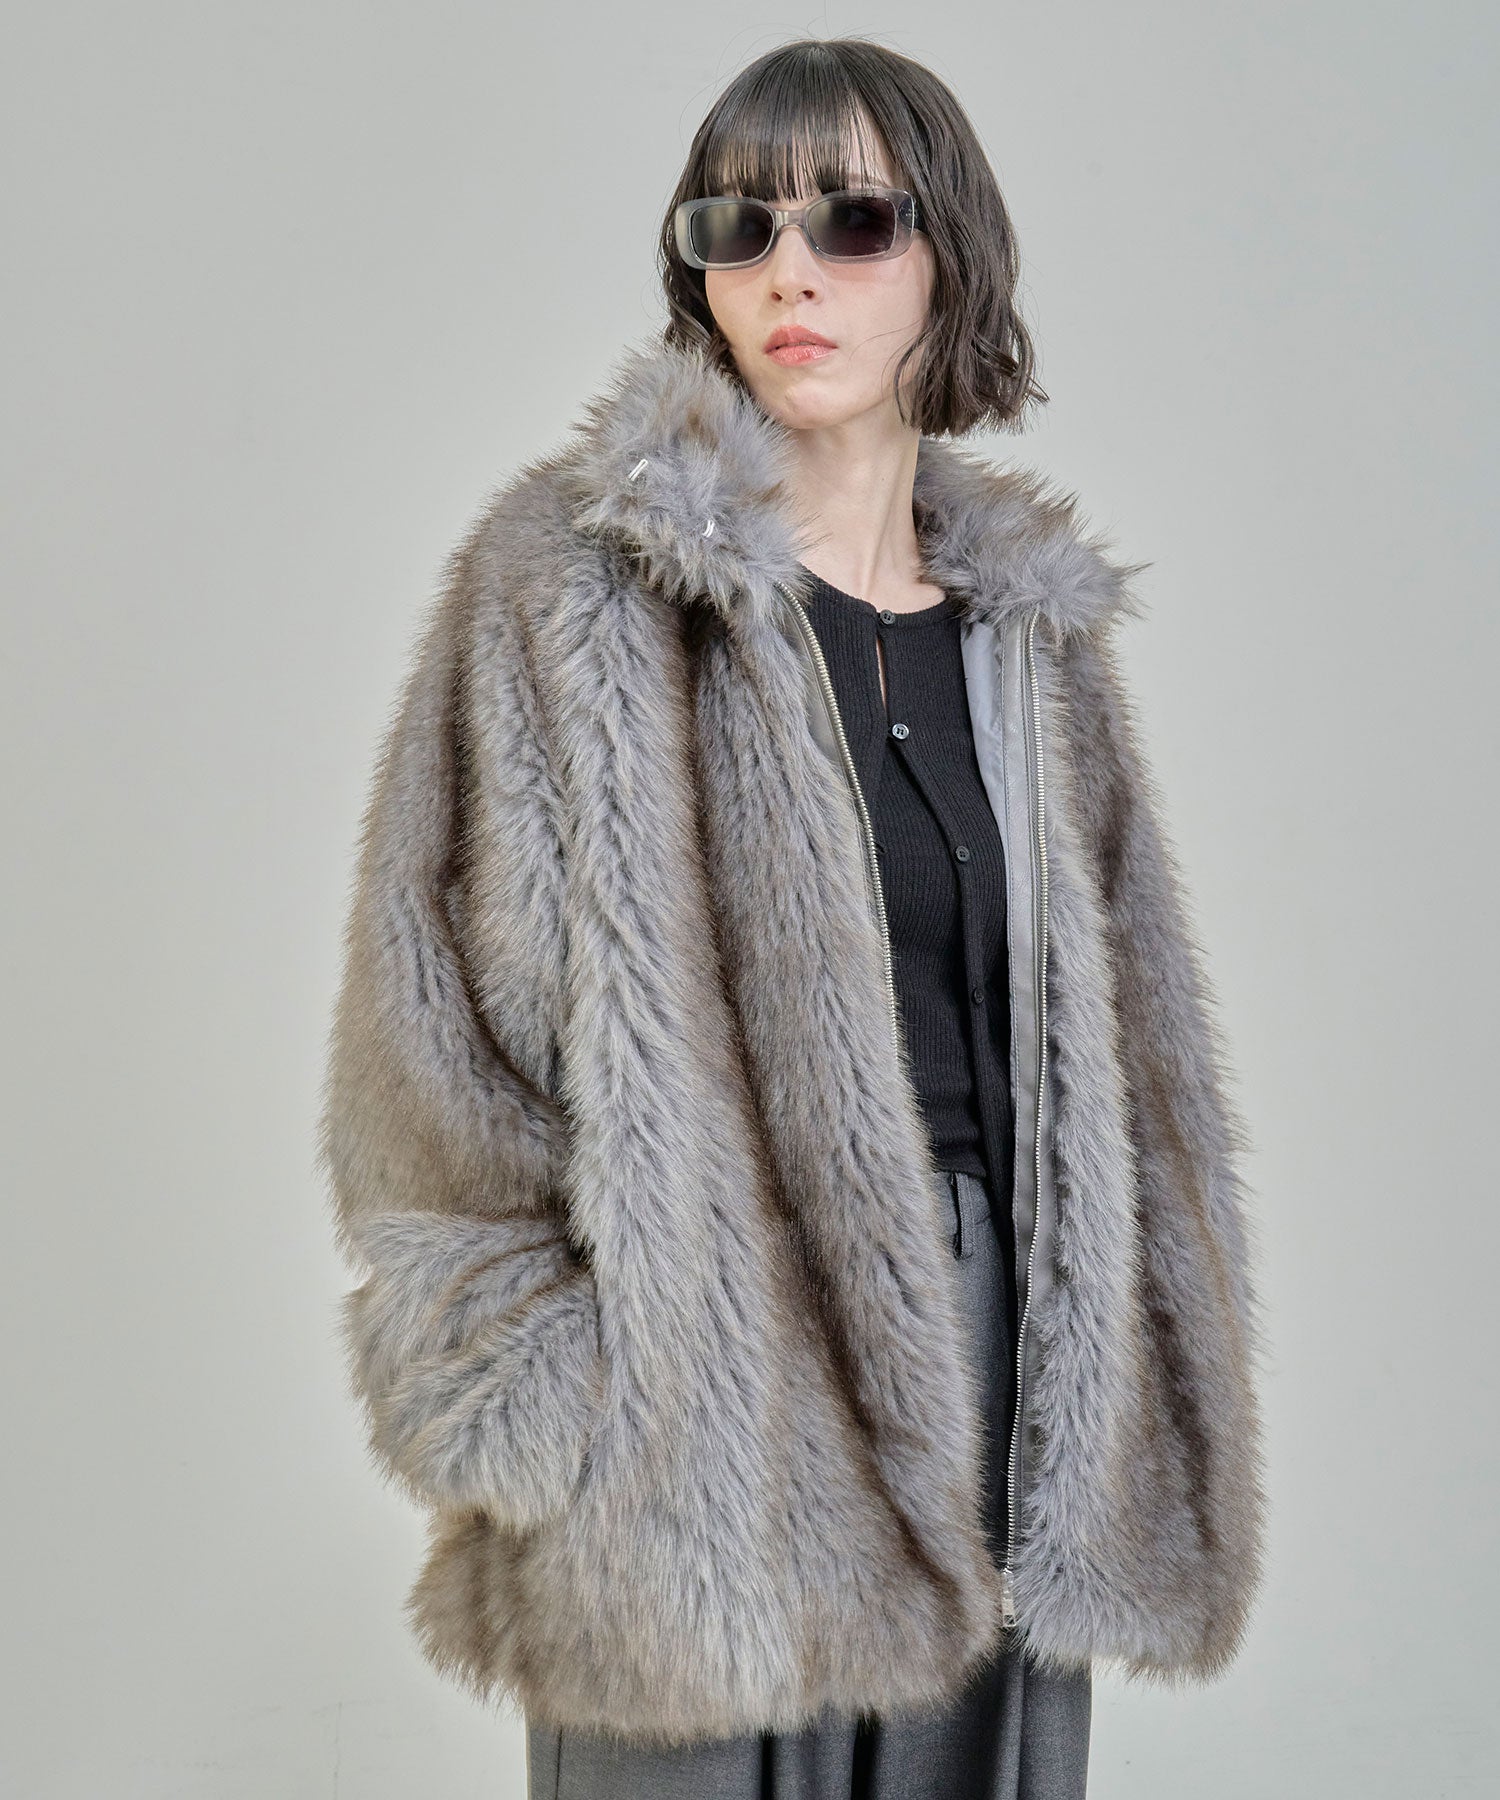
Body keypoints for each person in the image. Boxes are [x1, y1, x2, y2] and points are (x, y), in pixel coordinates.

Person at [317, 36, 1269, 1800]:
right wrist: (562, 1389)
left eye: (853, 220)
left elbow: (1142, 1076)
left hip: (998, 1368)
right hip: (701, 1397)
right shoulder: (572, 591)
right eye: (735, 226)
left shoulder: (1031, 647)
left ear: (951, 259)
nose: (789, 272)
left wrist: (1135, 1379)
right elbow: (430, 1034)